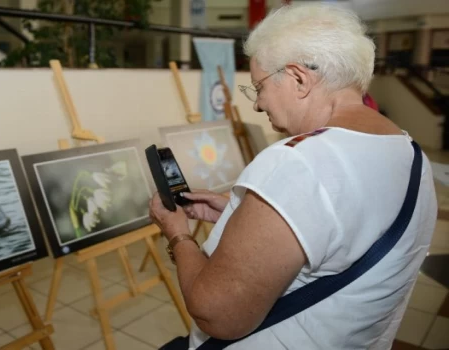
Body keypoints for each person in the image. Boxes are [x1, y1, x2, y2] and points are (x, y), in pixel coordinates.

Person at [148, 3, 437, 350]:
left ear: (299, 79)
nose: (257, 104)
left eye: (259, 87)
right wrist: (237, 213)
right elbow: (338, 227)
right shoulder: (409, 153)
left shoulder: (298, 162)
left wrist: (178, 235)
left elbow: (217, 315)